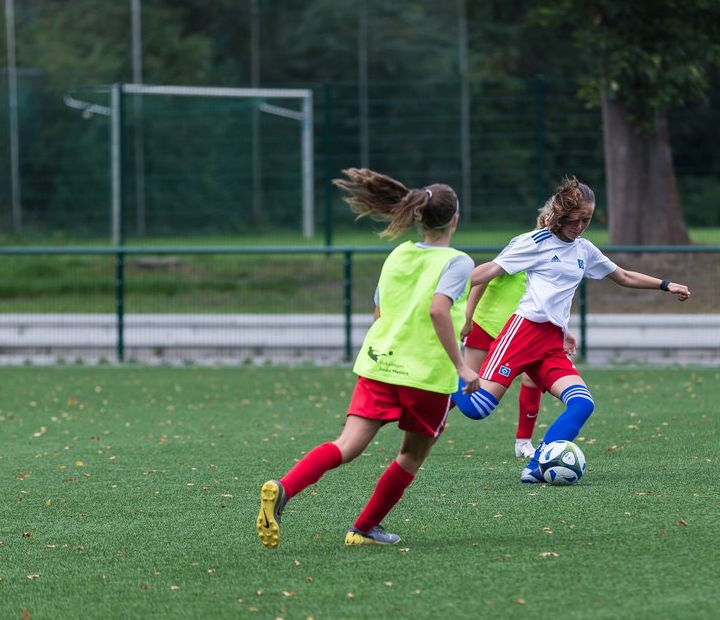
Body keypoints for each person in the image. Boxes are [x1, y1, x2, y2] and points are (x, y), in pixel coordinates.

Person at [256, 168, 479, 550]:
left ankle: (285, 487)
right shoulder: (458, 261)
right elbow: (439, 310)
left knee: (347, 444)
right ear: (454, 220)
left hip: (380, 365)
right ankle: (363, 529)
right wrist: (461, 367)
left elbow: (379, 312)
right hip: (425, 375)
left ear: (417, 217)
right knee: (410, 455)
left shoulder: (398, 254)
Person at [450, 175, 691, 482]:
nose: (579, 227)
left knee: (582, 404)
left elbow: (623, 276)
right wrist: (444, 287)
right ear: (561, 216)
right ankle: (444, 374)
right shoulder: (534, 242)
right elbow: (490, 269)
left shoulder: (584, 250)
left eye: (587, 221)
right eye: (575, 220)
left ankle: (537, 465)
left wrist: (666, 285)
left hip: (551, 342)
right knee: (477, 408)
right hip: (522, 333)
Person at [463, 264, 578, 460]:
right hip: (486, 325)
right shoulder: (524, 250)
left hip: (522, 335)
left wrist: (563, 331)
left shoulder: (557, 261)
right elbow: (481, 279)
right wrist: (467, 317)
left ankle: (523, 442)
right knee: (469, 387)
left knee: (531, 381)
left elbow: (548, 305)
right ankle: (427, 424)